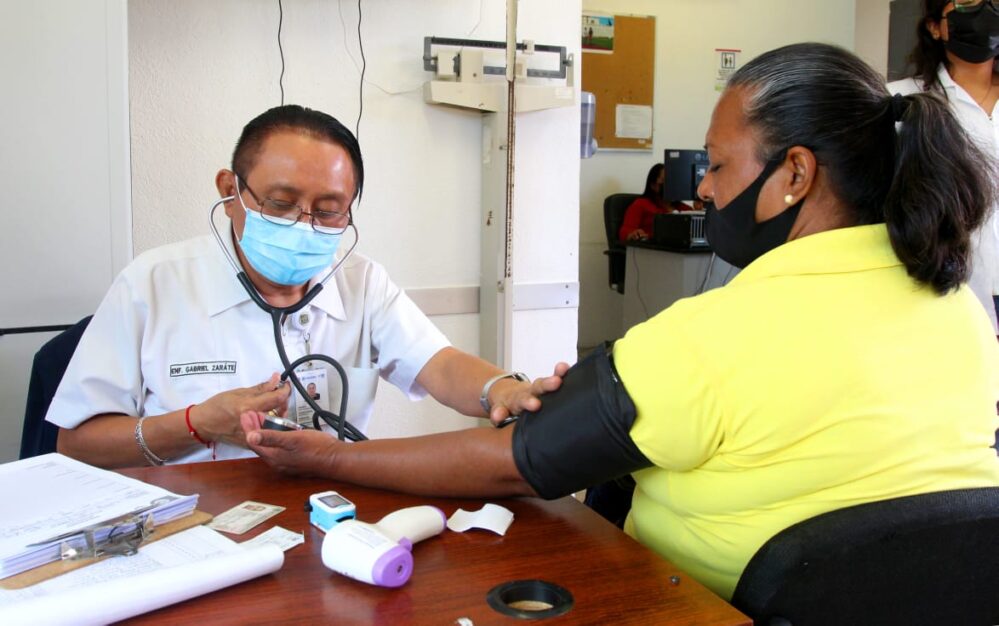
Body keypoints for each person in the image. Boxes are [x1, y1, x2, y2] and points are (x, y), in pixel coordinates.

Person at [241, 44, 999, 600]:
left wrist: (325, 460)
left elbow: (509, 462)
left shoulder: (716, 336)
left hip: (701, 607)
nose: (701, 188)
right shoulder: (960, 310)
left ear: (794, 174)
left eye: (718, 165)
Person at [46, 105, 565, 468]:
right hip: (189, 523)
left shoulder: (361, 281)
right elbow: (78, 442)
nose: (303, 225)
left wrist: (504, 388)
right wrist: (196, 423)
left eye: (328, 210)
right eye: (280, 203)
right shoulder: (153, 284)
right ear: (231, 191)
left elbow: (440, 364)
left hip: (327, 515)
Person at [888, 0, 999, 334]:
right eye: (967, 5)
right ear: (935, 27)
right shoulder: (903, 100)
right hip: (946, 288)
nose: (984, 16)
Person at [617, 163, 696, 242]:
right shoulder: (641, 204)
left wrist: (700, 211)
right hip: (651, 251)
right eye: (666, 181)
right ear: (653, 185)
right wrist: (634, 234)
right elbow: (624, 233)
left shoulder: (685, 209)